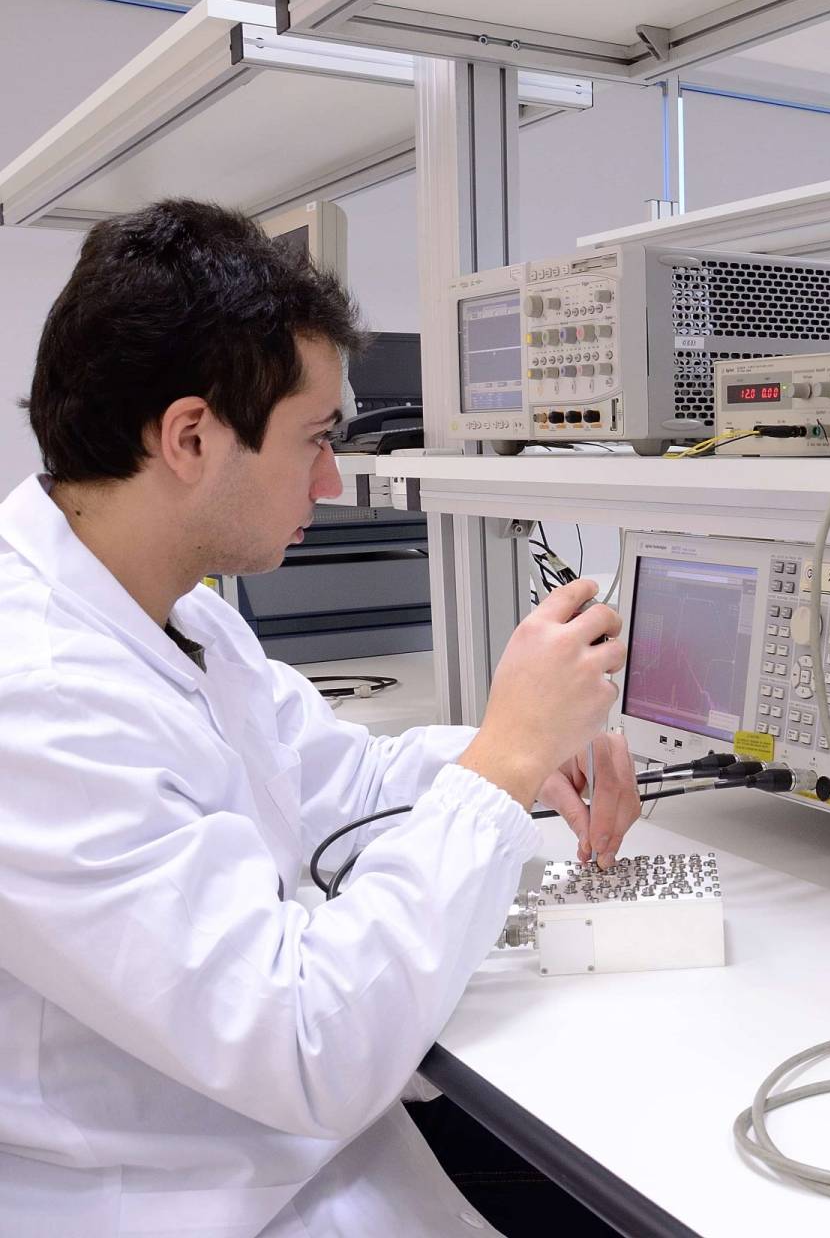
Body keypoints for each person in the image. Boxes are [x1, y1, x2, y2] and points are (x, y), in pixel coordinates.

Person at [0, 199, 643, 1236]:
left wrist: (526, 754)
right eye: (313, 439)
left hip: (282, 1153)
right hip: (186, 1199)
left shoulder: (183, 618)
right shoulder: (35, 698)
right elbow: (306, 1044)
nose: (332, 479)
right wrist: (505, 758)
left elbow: (339, 785)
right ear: (191, 437)